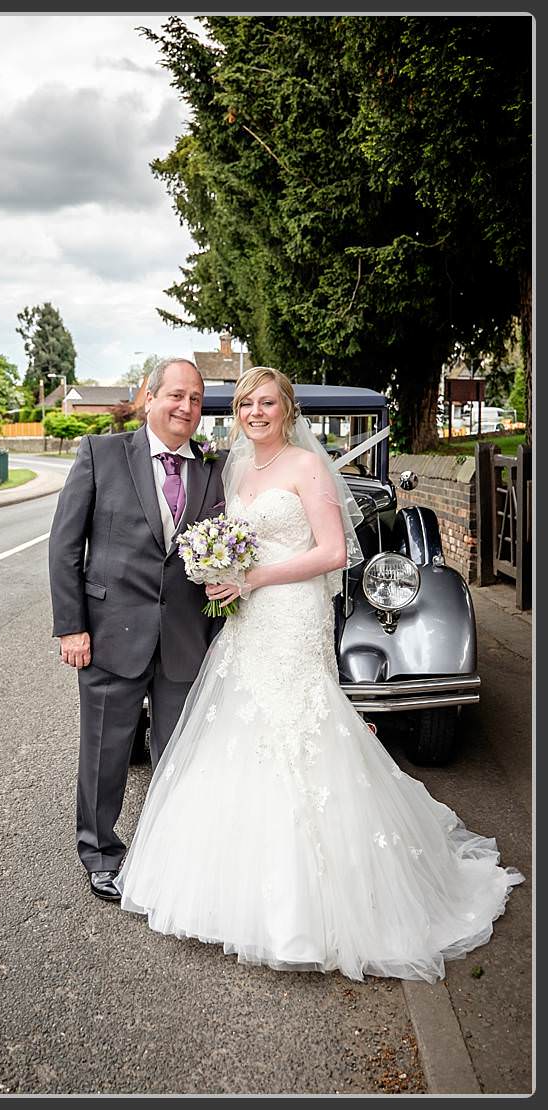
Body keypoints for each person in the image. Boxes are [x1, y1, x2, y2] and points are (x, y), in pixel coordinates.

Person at [117, 366, 520, 980]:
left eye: (267, 403)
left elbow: (333, 553)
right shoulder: (236, 469)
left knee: (303, 725)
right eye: (246, 404)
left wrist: (251, 577)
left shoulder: (307, 468)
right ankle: (236, 884)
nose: (255, 413)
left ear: (287, 410)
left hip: (294, 612)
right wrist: (220, 574)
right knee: (241, 729)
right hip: (248, 618)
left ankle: (323, 899)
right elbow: (231, 538)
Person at [46, 358, 224, 902]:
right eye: (175, 395)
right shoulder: (101, 454)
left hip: (184, 640)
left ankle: (167, 849)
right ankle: (100, 851)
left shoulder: (213, 470)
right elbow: (64, 545)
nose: (185, 407)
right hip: (108, 634)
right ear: (150, 397)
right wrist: (71, 627)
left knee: (177, 754)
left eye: (195, 399)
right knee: (106, 750)